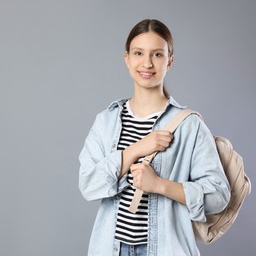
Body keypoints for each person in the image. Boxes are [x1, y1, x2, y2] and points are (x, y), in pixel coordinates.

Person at [78, 19, 230, 256]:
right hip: (110, 249)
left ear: (170, 60)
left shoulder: (189, 126)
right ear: (126, 58)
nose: (147, 63)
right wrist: (136, 149)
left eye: (157, 54)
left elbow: (218, 195)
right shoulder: (106, 121)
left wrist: (159, 185)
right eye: (139, 53)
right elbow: (88, 185)